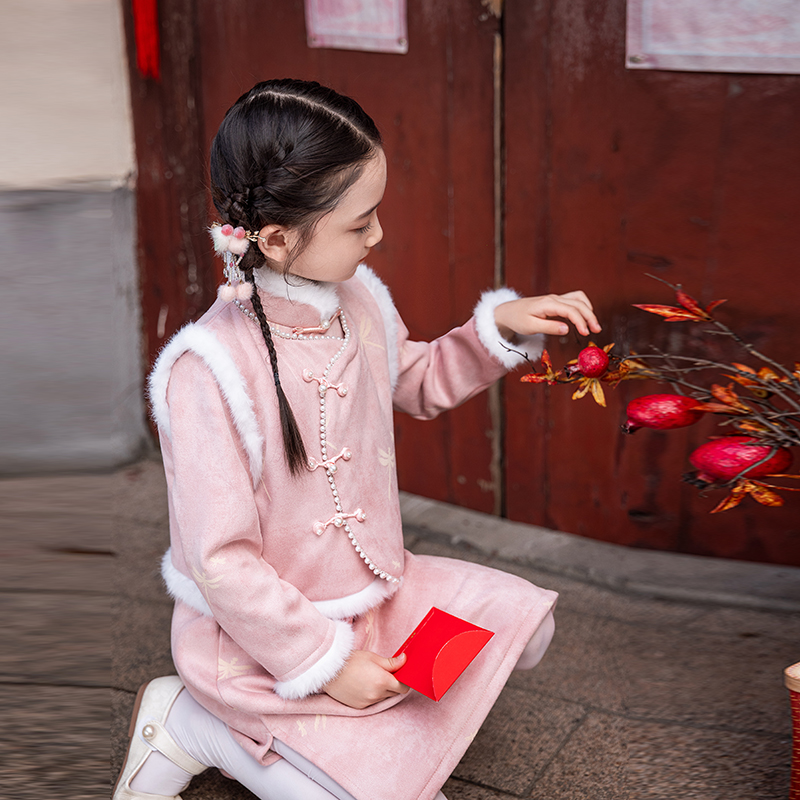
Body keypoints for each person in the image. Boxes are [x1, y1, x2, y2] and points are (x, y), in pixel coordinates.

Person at [113, 79, 601, 800]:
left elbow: (415, 380)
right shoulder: (205, 368)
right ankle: (197, 720)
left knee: (522, 631)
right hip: (261, 642)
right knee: (375, 760)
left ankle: (360, 739)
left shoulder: (362, 299)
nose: (376, 237)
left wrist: (501, 330)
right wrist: (324, 660)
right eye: (359, 223)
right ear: (276, 238)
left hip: (373, 593)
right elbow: (219, 561)